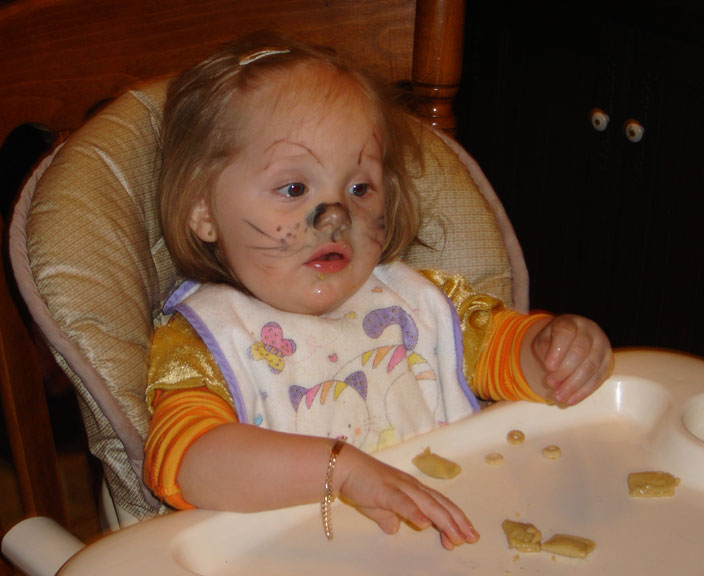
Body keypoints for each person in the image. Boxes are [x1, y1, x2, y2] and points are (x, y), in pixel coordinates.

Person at [144, 34, 612, 550]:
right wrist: (339, 471)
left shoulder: (416, 304)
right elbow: (187, 463)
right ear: (204, 212)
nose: (335, 217)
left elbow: (506, 354)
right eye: (294, 188)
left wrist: (557, 352)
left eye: (359, 188)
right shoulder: (210, 339)